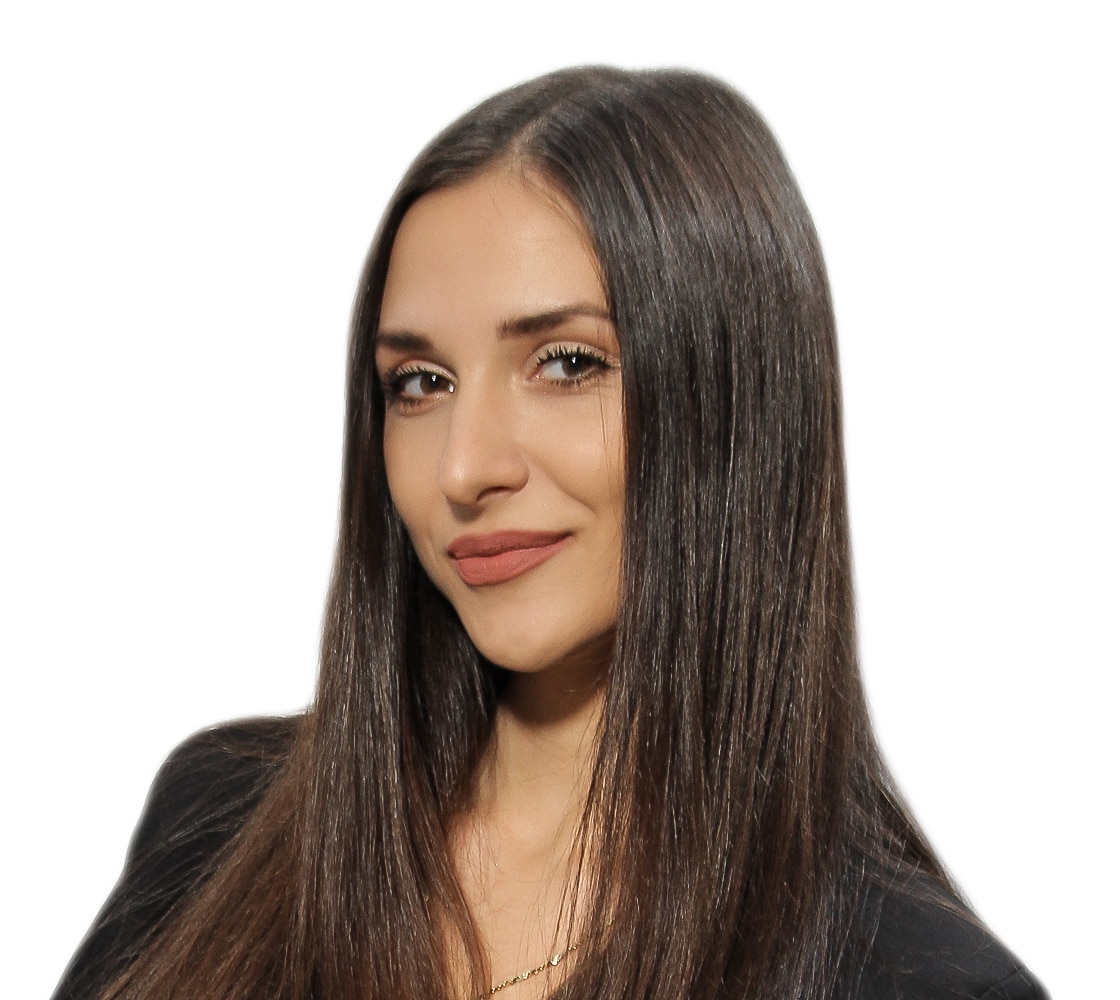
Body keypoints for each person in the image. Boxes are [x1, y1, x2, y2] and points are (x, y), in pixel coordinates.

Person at [53, 66, 1047, 1000]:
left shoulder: (912, 977)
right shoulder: (219, 823)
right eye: (419, 383)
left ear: (736, 402)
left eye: (566, 364)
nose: (463, 466)